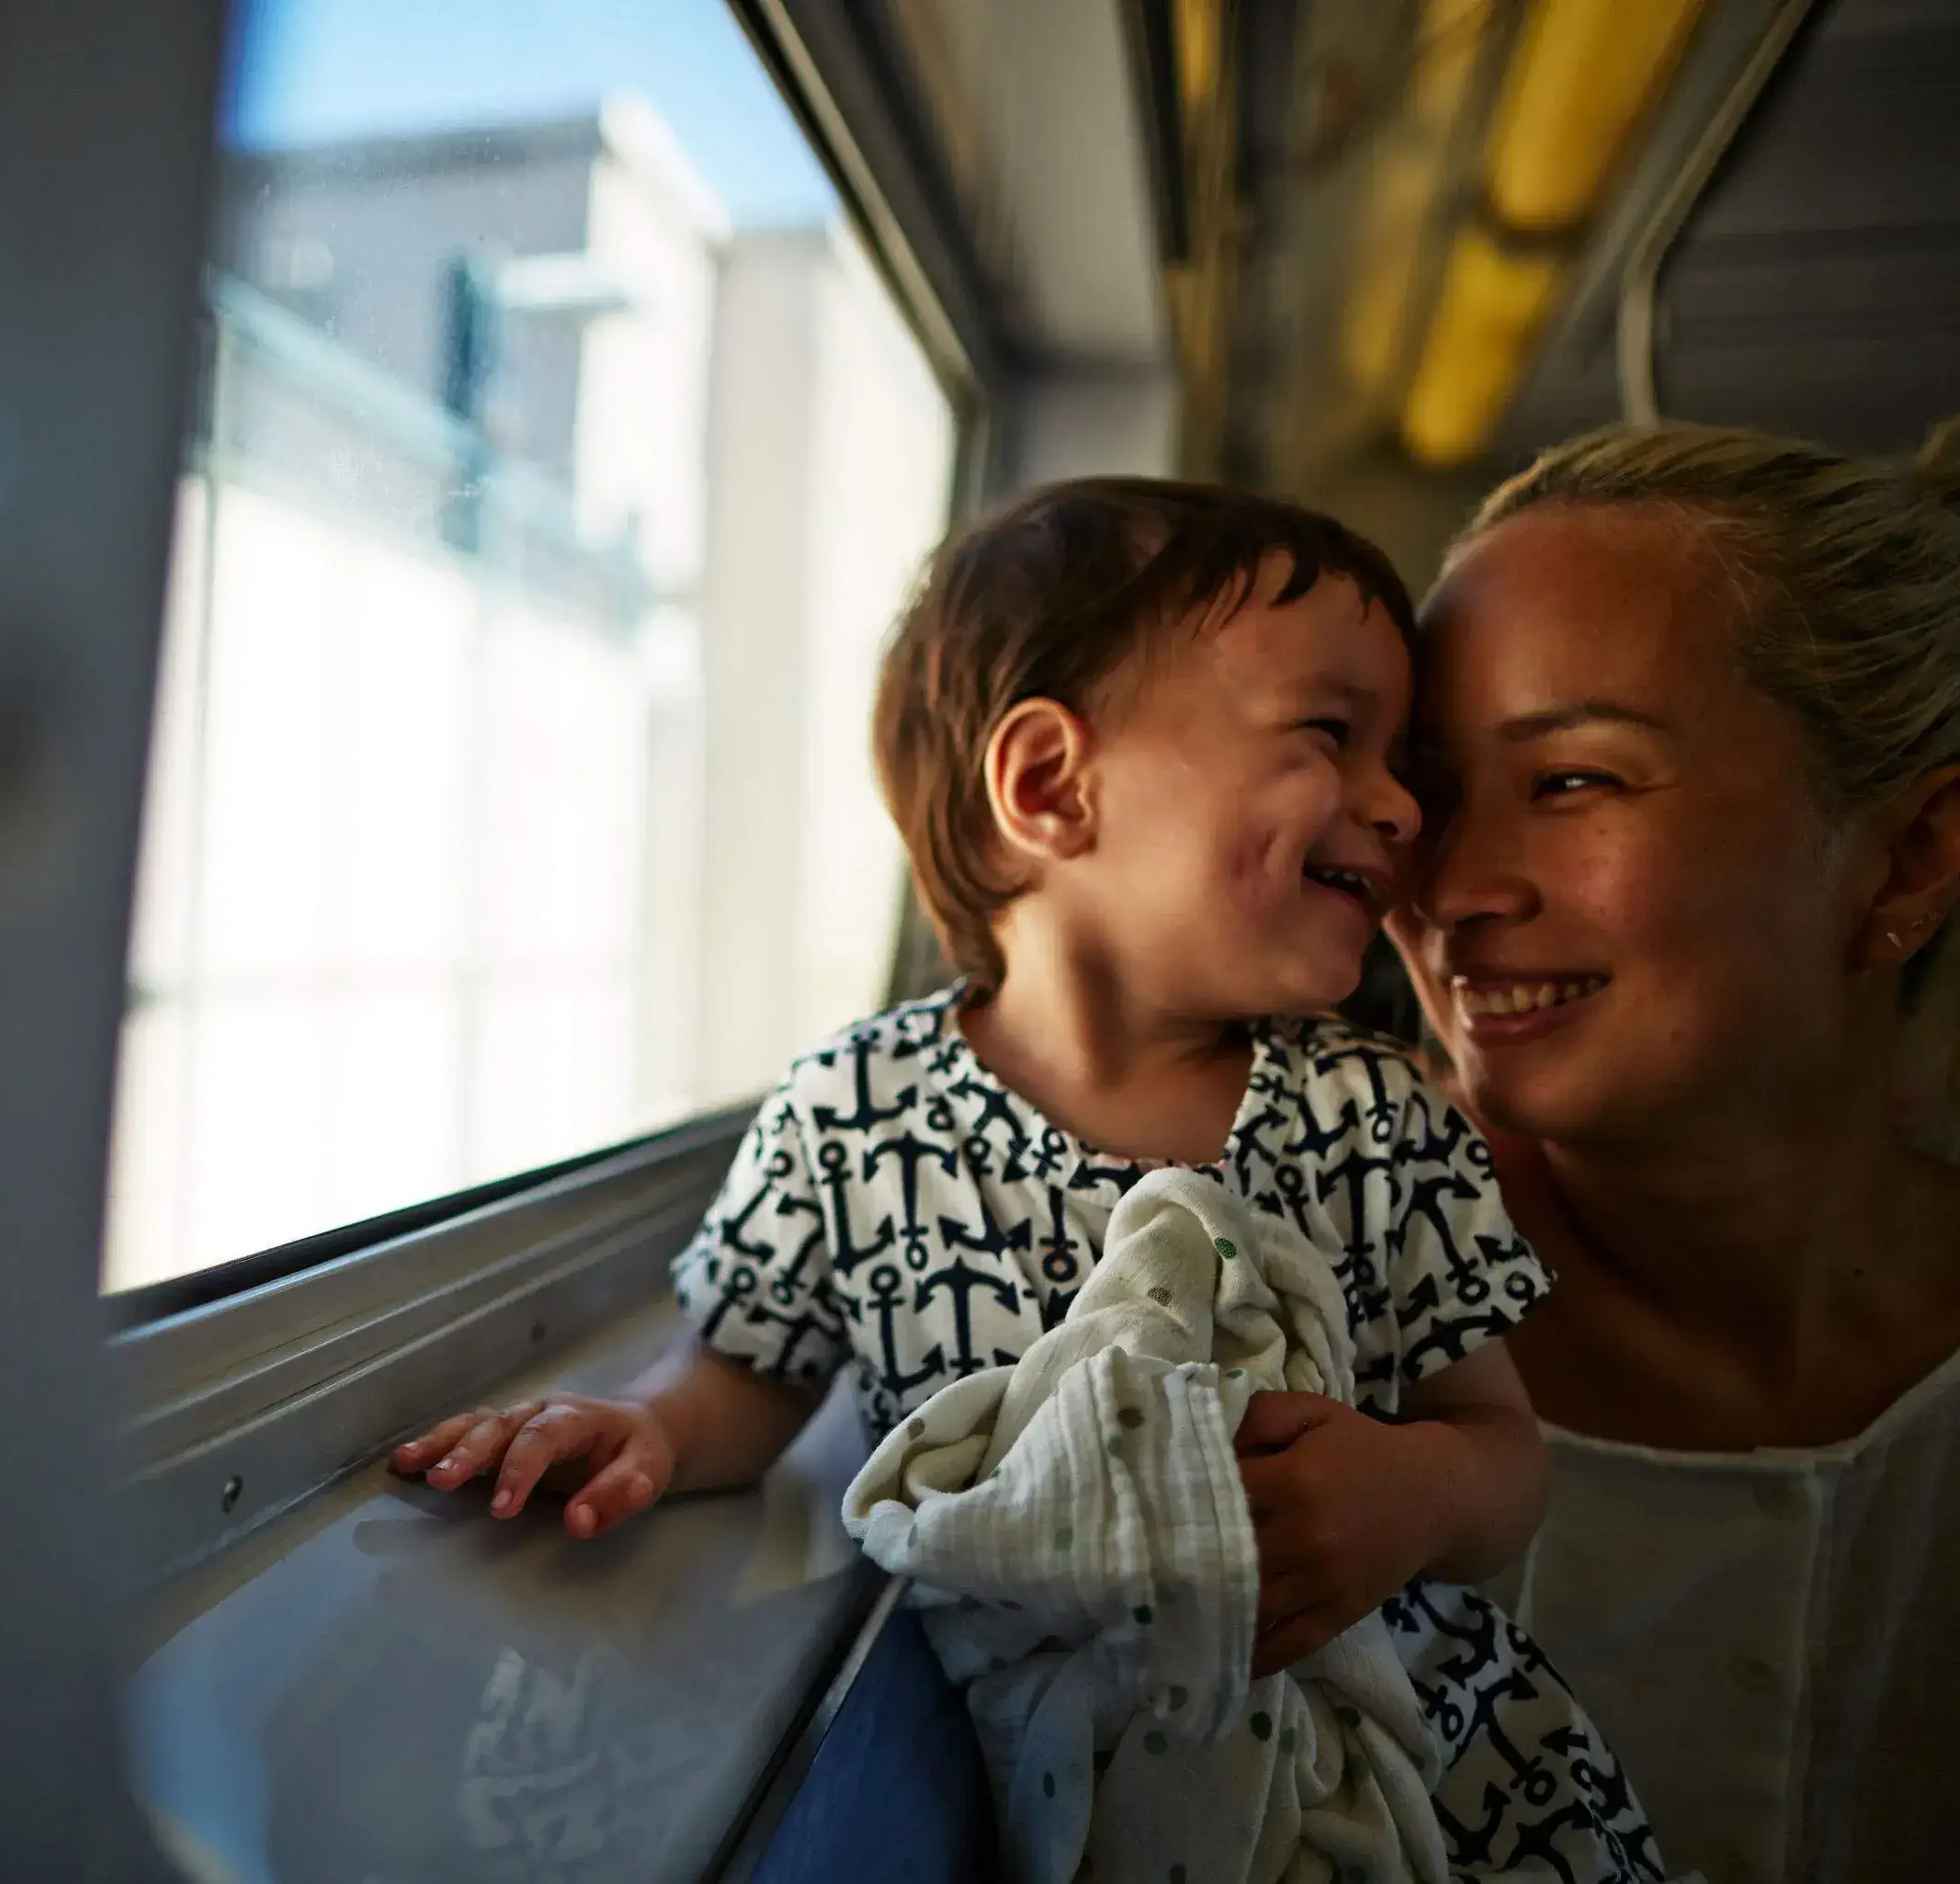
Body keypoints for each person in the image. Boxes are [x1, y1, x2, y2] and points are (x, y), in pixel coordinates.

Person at [389, 484, 1662, 1864]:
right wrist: (643, 1430)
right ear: (1053, 784)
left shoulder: (1373, 1114)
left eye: (1396, 756)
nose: (1400, 806)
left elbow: (1503, 1456)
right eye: (1329, 734)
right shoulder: (852, 1117)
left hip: (1412, 1763)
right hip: (1048, 1782)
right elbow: (744, 1382)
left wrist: (1409, 1498)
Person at [1385, 418, 1960, 1884]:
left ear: (1908, 855)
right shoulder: (1334, 1334)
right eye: (1431, 793)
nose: (1448, 886)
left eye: (1575, 780)